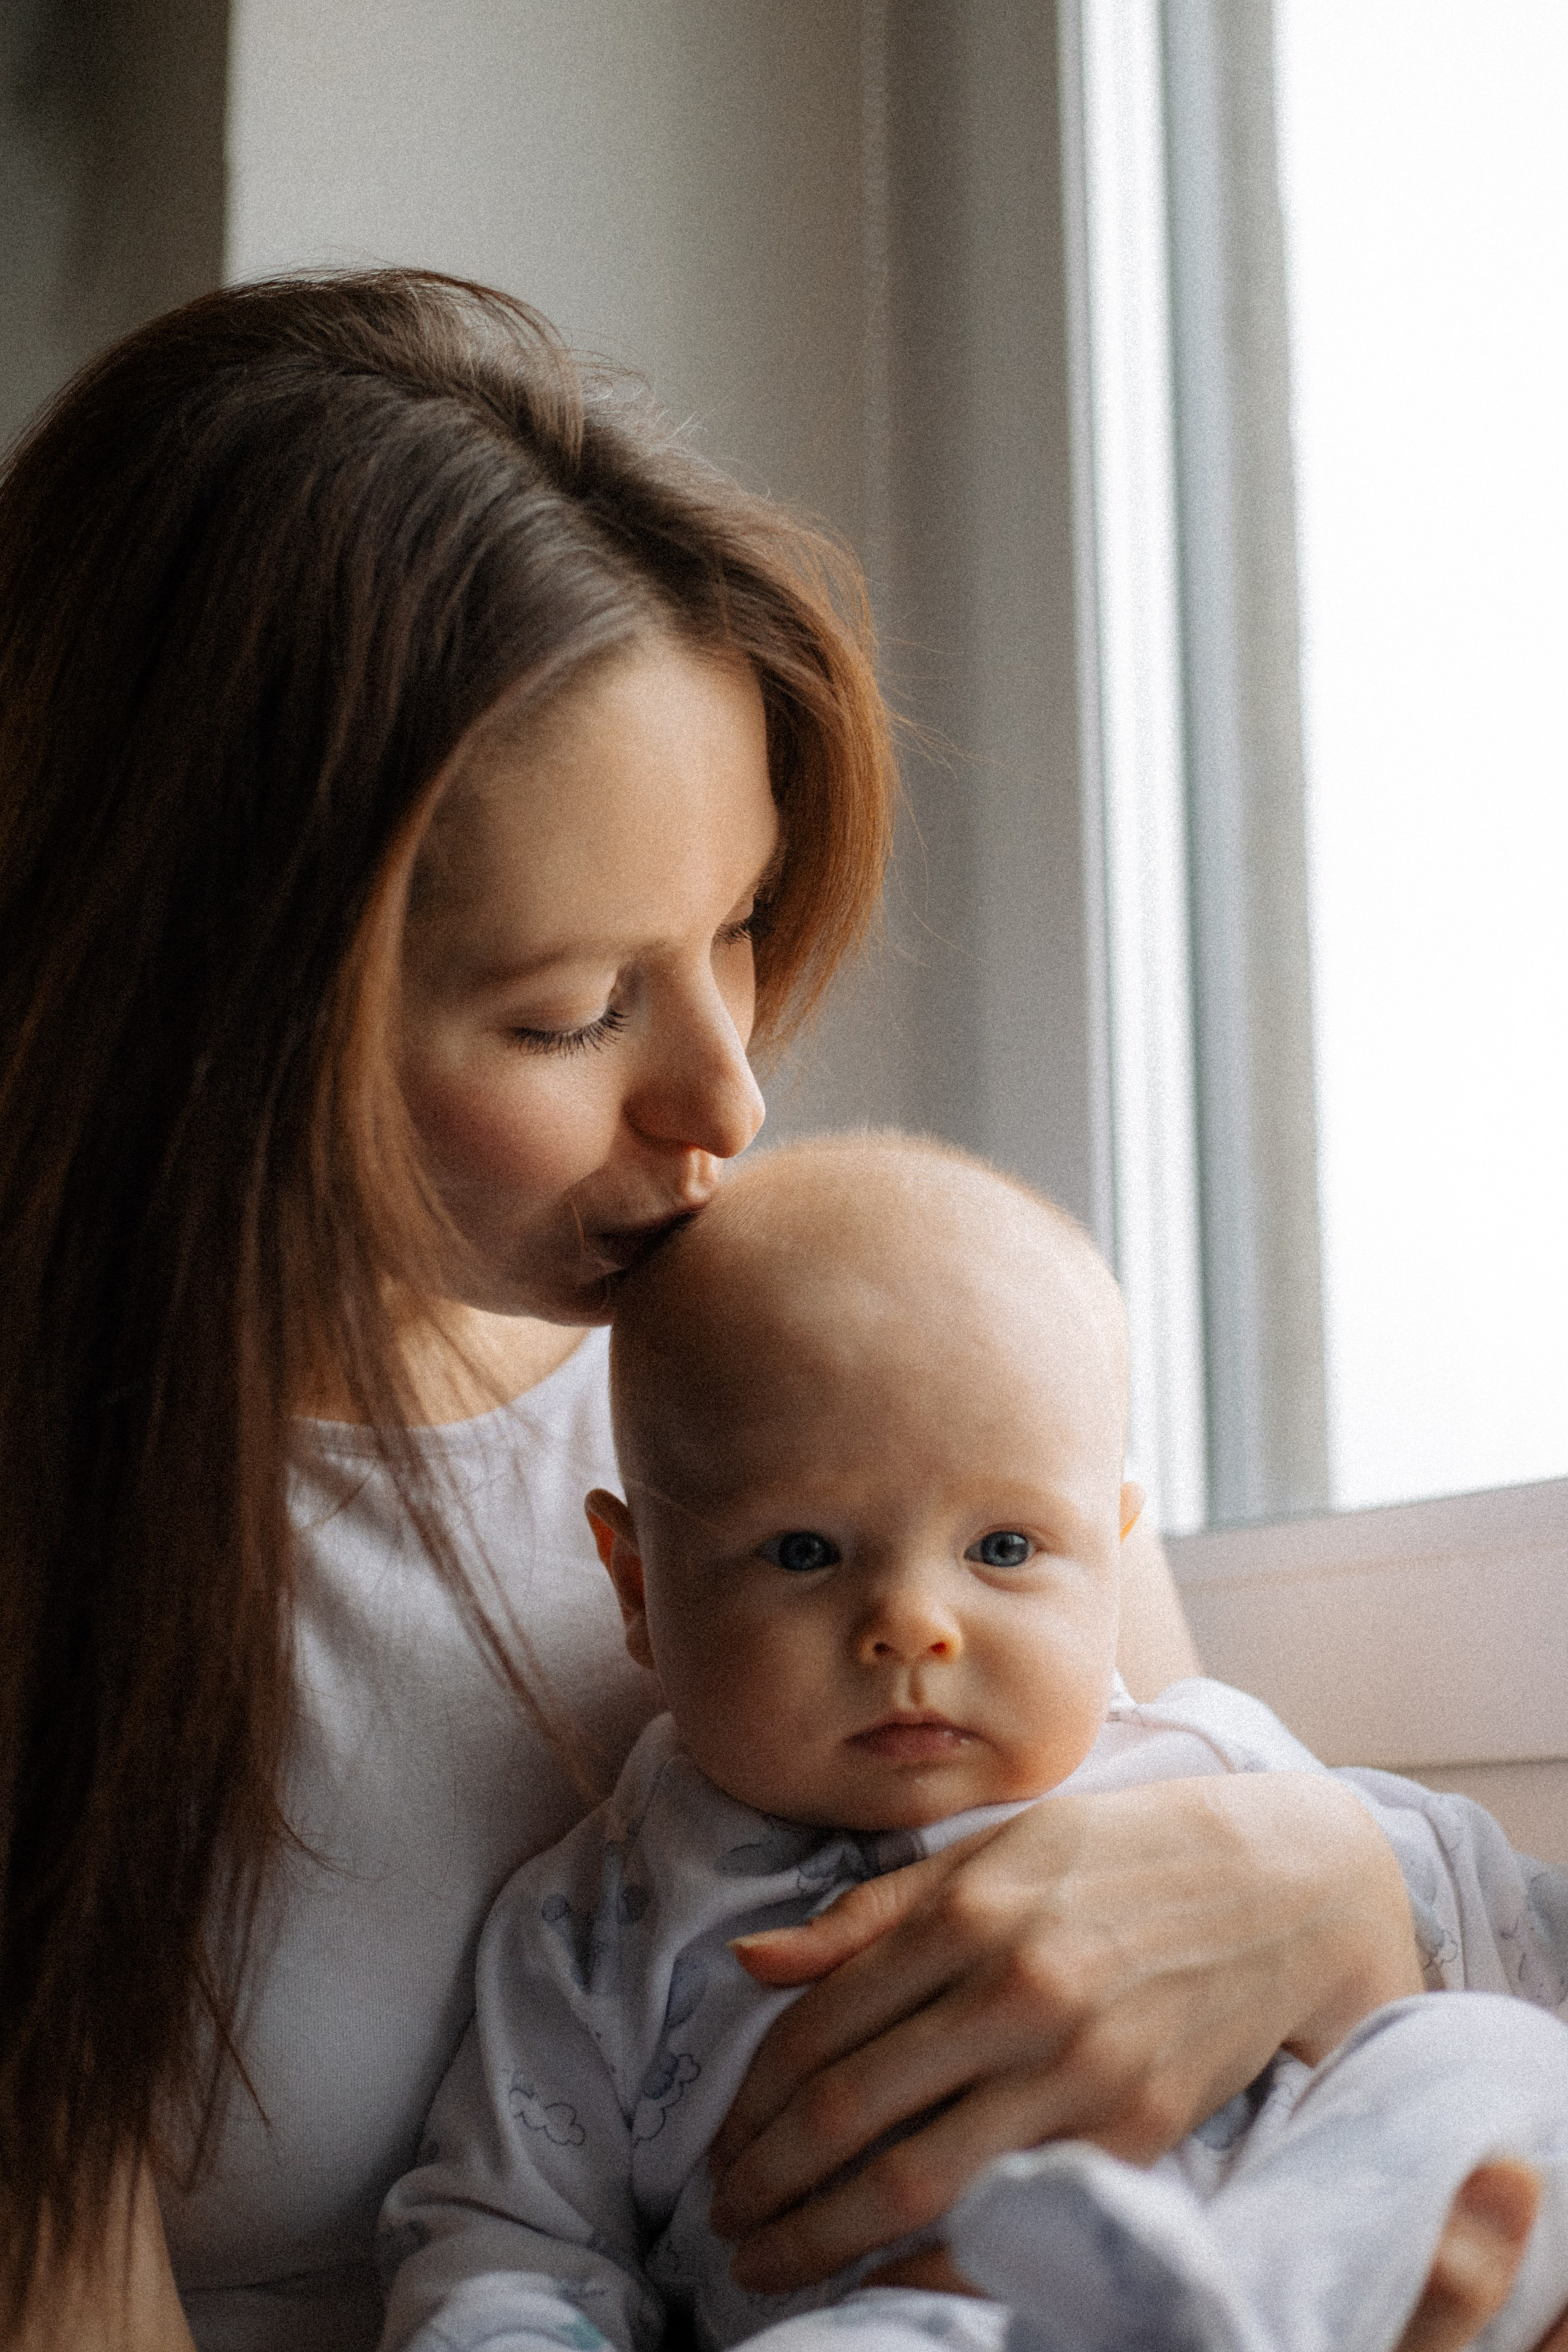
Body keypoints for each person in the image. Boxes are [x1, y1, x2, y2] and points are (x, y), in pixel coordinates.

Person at [0, 268, 1553, 2352]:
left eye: (736, 930)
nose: (726, 1098)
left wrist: (1328, 1895)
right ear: (204, 991)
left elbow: (1144, 1794)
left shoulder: (832, 1339)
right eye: (567, 1013)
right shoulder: (73, 1548)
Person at [374, 1135, 1568, 2352]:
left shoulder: (1216, 1775)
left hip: (1305, 2286)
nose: (912, 1628)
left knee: (1489, 2062)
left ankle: (1249, 2299)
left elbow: (1512, 1941)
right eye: (802, 1552)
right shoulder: (596, 1922)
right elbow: (513, 2243)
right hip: (912, 2323)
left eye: (1002, 1550)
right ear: (637, 1587)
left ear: (1108, 1554)